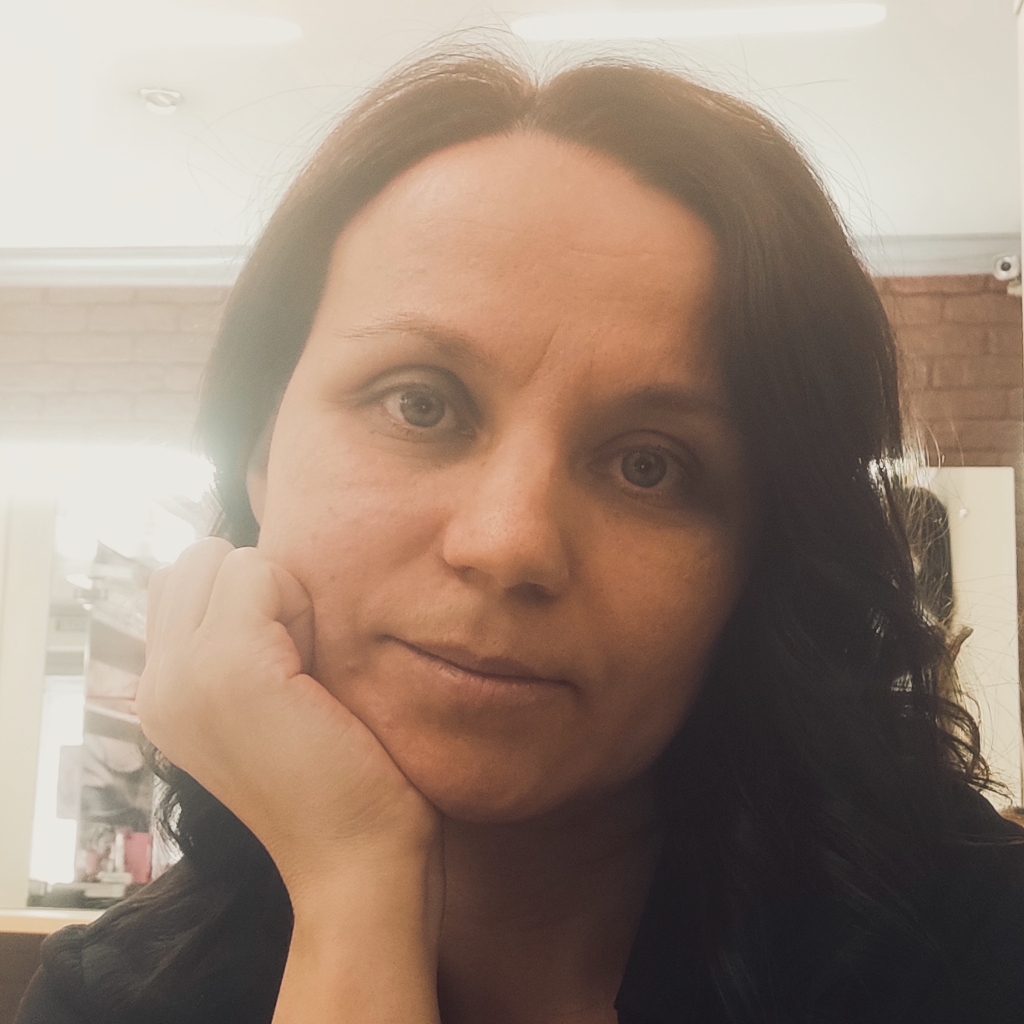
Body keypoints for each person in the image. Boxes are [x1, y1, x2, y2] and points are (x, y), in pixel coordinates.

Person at [17, 48, 1024, 1024]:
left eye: (649, 465)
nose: (509, 543)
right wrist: (354, 885)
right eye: (419, 404)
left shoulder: (974, 950)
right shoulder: (119, 1001)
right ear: (259, 452)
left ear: (758, 554)